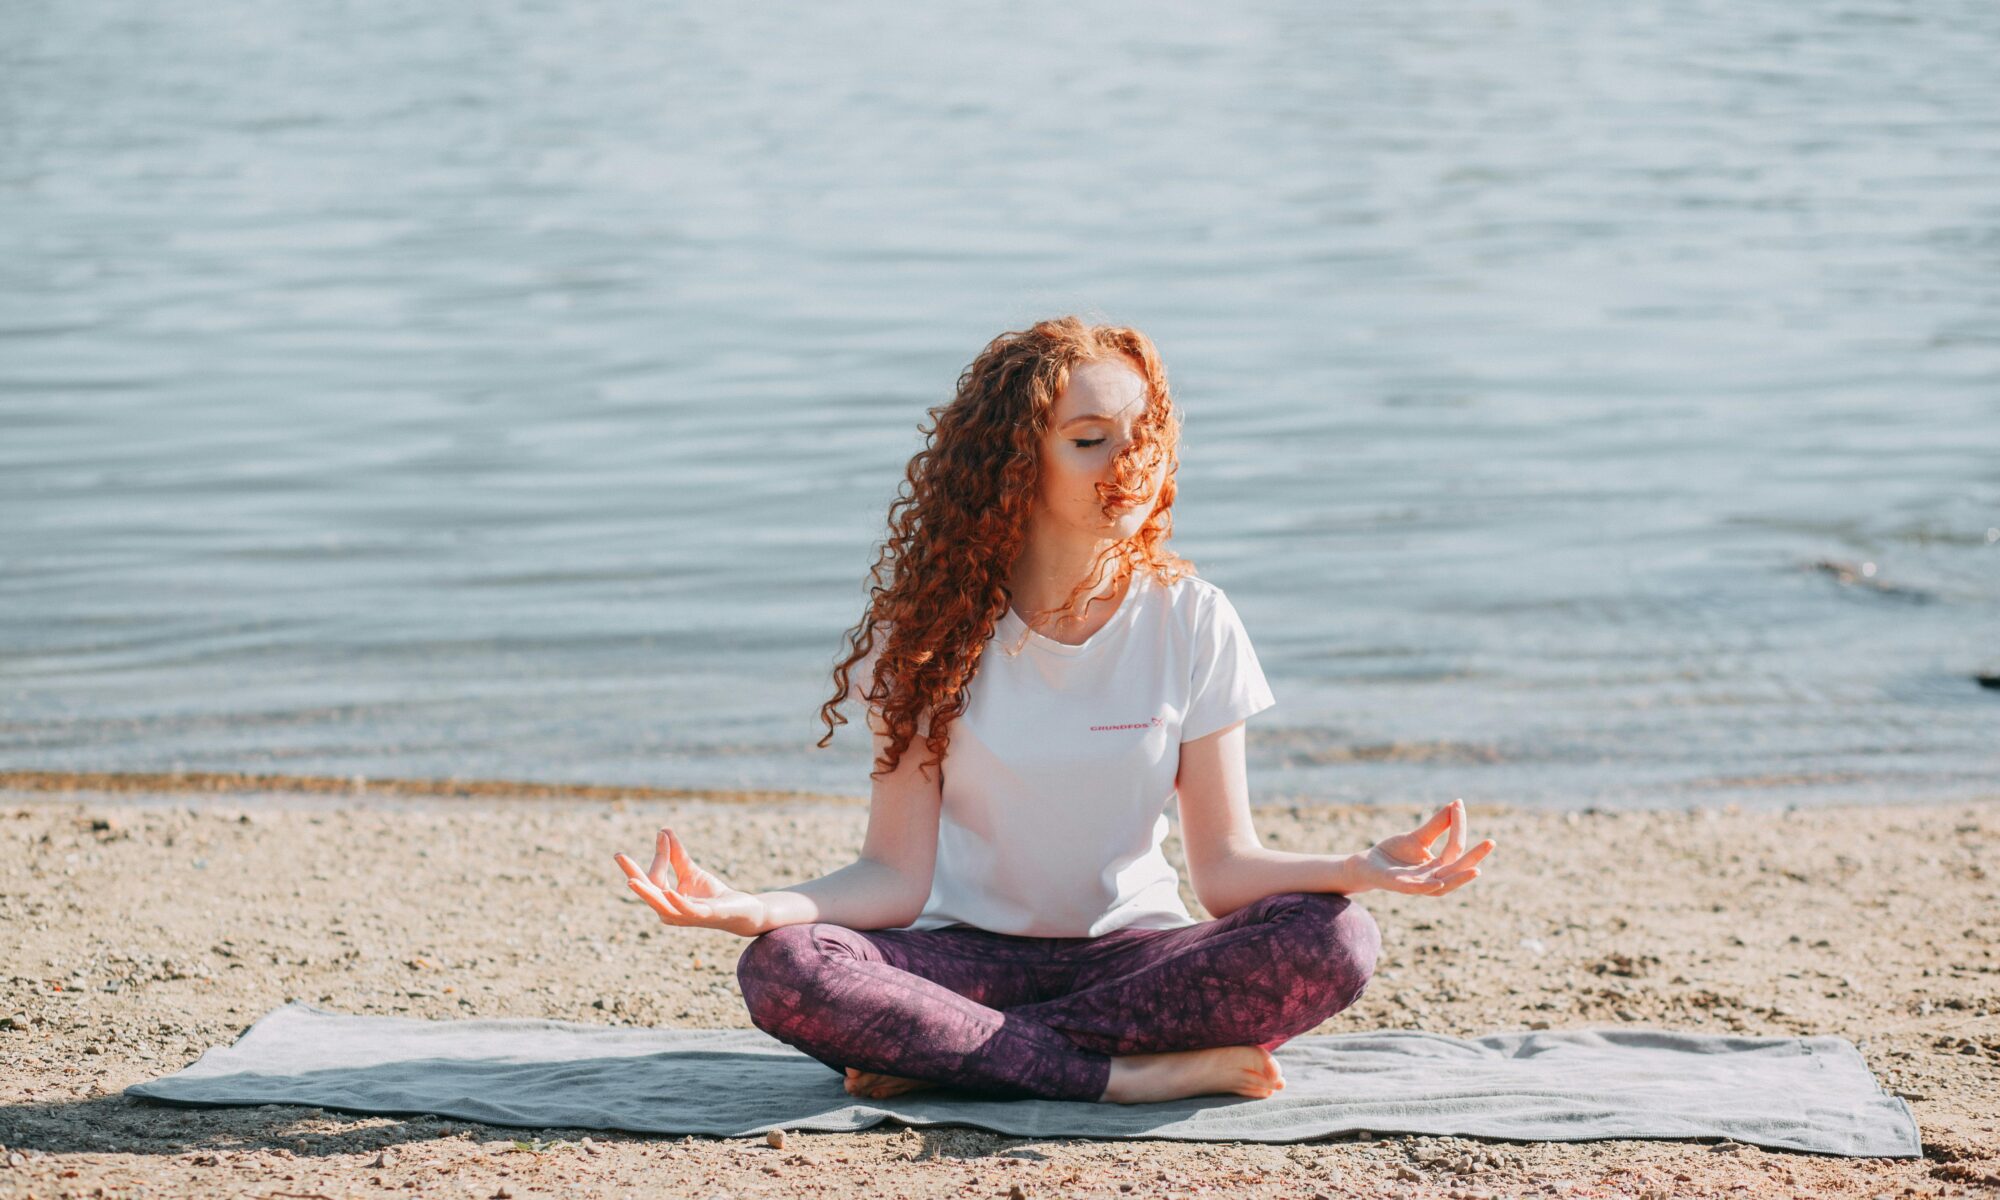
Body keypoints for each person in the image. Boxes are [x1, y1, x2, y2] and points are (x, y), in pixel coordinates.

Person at [614, 316, 1495, 1105]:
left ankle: (949, 1057)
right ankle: (1117, 1076)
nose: (1131, 459)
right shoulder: (926, 632)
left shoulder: (1193, 616)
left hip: (1132, 961)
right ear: (1013, 468)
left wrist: (1358, 865)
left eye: (1144, 433)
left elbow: (1224, 872)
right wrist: (759, 905)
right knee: (788, 968)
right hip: (965, 958)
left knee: (1336, 936)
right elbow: (891, 877)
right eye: (1090, 440)